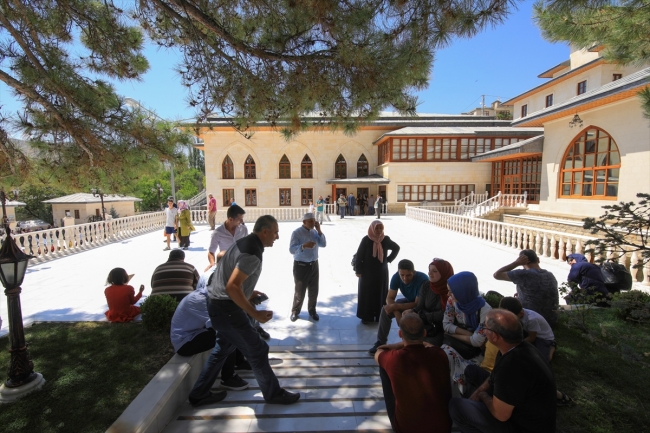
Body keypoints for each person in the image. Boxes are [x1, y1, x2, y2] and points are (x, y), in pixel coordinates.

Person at [188, 215, 300, 406]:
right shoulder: (252, 252)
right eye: (275, 232)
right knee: (258, 348)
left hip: (217, 304)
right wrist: (255, 314)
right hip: (227, 309)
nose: (277, 237)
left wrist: (247, 292)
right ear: (264, 232)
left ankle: (199, 393)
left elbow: (227, 277)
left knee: (222, 349)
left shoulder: (244, 243)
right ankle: (273, 394)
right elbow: (232, 287)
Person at [449, 309, 557, 433]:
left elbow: (500, 415)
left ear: (495, 336)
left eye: (485, 327)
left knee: (456, 406)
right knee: (471, 371)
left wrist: (483, 396)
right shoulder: (515, 347)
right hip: (519, 407)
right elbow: (492, 377)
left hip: (522, 426)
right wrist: (477, 393)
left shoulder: (512, 367)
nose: (483, 330)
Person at [375, 313, 452, 433]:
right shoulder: (440, 354)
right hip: (443, 427)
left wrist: (398, 345)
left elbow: (379, 351)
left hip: (406, 428)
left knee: (383, 367)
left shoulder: (395, 358)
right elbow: (430, 346)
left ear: (400, 334)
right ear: (424, 333)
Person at [207, 205, 270, 340]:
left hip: (242, 269)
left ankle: (256, 326)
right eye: (239, 219)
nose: (241, 222)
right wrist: (213, 264)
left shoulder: (243, 229)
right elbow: (211, 252)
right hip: (226, 270)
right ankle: (252, 327)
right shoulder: (217, 233)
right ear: (230, 219)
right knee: (253, 346)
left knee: (246, 296)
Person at [171, 286, 249, 394]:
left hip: (196, 333)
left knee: (232, 330)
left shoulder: (209, 296)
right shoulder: (199, 300)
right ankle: (227, 378)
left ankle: (238, 362)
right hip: (185, 342)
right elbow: (217, 324)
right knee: (227, 336)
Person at [441, 271, 492, 392]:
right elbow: (445, 325)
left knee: (467, 371)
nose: (448, 294)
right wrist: (468, 334)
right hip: (458, 346)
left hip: (475, 353)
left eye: (451, 291)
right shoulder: (452, 301)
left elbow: (477, 342)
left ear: (463, 291)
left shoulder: (485, 310)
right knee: (443, 357)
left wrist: (451, 334)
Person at [368, 259, 428, 354]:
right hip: (408, 301)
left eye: (408, 275)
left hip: (421, 305)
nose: (405, 278)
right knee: (385, 310)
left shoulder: (423, 280)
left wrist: (396, 307)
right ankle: (381, 342)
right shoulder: (396, 277)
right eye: (402, 275)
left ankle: (412, 344)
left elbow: (416, 304)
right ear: (398, 273)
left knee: (407, 314)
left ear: (414, 272)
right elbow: (390, 298)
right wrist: (396, 311)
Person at [493, 249, 559, 327]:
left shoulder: (524, 274)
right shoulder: (550, 275)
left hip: (532, 321)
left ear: (522, 262)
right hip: (551, 320)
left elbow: (497, 275)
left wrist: (516, 263)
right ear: (538, 260)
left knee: (494, 294)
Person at [355, 220, 400, 324]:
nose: (379, 230)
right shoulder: (366, 240)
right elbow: (359, 256)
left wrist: (388, 259)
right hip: (367, 273)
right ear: (372, 229)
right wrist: (358, 270)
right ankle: (366, 316)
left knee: (380, 293)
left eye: (381, 228)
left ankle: (379, 316)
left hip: (381, 273)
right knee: (367, 294)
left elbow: (396, 248)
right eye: (377, 228)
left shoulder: (385, 239)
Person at [289, 212, 327, 322]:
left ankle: (312, 310)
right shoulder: (296, 233)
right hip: (301, 265)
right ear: (304, 222)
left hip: (314, 264)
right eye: (310, 221)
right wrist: (304, 246)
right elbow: (291, 249)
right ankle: (295, 311)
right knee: (300, 291)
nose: (313, 223)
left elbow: (323, 244)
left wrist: (319, 231)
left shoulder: (315, 232)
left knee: (314, 290)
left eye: (314, 221)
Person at [411, 258, 455, 347]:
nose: (430, 274)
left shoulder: (451, 290)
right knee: (410, 340)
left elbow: (447, 313)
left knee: (424, 346)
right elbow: (420, 306)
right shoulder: (426, 285)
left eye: (434, 271)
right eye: (429, 270)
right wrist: (412, 312)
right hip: (426, 325)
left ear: (444, 273)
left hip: (441, 328)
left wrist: (425, 316)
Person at [499, 297, 555, 362]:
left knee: (543, 360)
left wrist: (516, 345)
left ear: (521, 313)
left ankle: (552, 347)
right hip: (528, 330)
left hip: (543, 338)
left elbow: (532, 338)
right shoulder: (516, 312)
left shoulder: (532, 319)